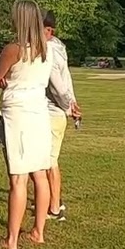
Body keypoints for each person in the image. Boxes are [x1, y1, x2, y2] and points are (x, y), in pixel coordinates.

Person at [0, 0, 54, 249]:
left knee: (18, 179)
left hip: (17, 114)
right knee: (40, 174)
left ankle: (12, 240)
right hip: (39, 111)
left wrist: (7, 81)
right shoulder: (47, 49)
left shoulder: (14, 49)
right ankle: (38, 231)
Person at [42, 11, 80, 223]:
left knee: (49, 161)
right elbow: (67, 80)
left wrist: (68, 105)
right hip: (55, 110)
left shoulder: (49, 49)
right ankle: (50, 198)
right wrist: (72, 102)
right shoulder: (59, 47)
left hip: (52, 111)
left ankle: (55, 207)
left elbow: (57, 83)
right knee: (45, 160)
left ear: (49, 31)